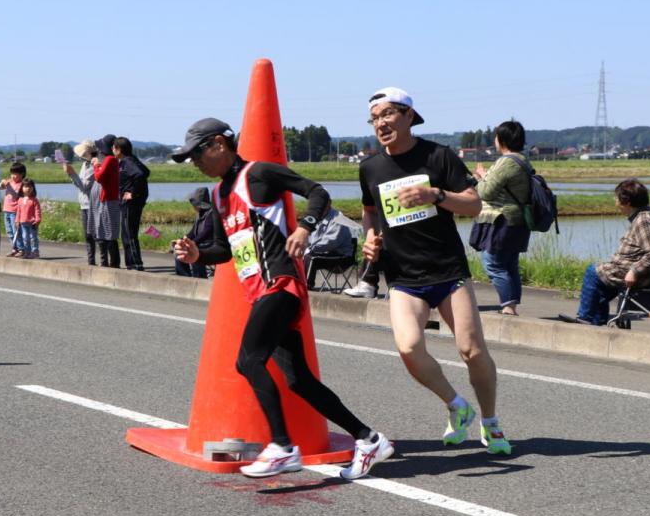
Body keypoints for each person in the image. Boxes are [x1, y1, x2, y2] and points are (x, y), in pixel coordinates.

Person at [171, 117, 392, 480]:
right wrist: (198, 255)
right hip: (260, 293)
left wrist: (305, 227)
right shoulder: (219, 195)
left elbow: (318, 192)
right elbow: (225, 250)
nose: (194, 163)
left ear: (218, 145)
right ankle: (369, 439)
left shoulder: (258, 174)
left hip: (281, 285)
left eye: (196, 154)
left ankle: (282, 447)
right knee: (298, 380)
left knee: (247, 361)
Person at [359, 87, 512, 455]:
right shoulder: (370, 167)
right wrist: (368, 238)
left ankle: (490, 423)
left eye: (388, 115)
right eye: (375, 118)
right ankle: (457, 407)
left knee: (471, 350)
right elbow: (369, 210)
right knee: (409, 347)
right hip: (403, 276)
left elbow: (475, 205)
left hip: (447, 271)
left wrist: (436, 196)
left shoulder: (438, 157)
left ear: (409, 116)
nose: (381, 123)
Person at [558, 178, 650, 327]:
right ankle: (597, 322)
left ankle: (586, 318)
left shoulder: (644, 219)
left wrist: (634, 271)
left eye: (617, 198)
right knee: (602, 282)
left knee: (593, 272)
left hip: (643, 274)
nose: (615, 202)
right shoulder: (646, 214)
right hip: (641, 270)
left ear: (627, 202)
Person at [471, 121, 533, 316]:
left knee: (493, 262)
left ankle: (507, 305)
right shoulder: (522, 160)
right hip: (517, 220)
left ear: (503, 140)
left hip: (502, 219)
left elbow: (486, 192)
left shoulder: (507, 162)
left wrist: (481, 177)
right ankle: (510, 306)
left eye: (496, 137)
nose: (494, 140)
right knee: (509, 263)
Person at [115, 136, 150, 270]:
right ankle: (133, 263)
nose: (113, 150)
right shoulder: (132, 159)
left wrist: (133, 193)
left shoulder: (127, 162)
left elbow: (140, 175)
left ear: (119, 150)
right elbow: (146, 171)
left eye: (114, 148)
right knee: (129, 233)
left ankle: (135, 264)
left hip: (130, 203)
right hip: (134, 202)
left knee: (128, 234)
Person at [64, 140, 98, 264]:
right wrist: (71, 174)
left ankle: (103, 261)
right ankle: (91, 261)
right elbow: (79, 183)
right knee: (88, 235)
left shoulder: (94, 165)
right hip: (84, 203)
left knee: (94, 234)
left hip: (92, 204)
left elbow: (84, 186)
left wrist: (72, 173)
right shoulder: (85, 164)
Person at [92, 134, 122, 268]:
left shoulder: (110, 159)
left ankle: (113, 263)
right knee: (105, 231)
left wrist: (96, 166)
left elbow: (99, 177)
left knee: (108, 232)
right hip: (109, 199)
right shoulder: (111, 159)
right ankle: (110, 262)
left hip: (109, 200)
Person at [174, 186, 213, 279]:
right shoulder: (199, 214)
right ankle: (184, 277)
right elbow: (192, 232)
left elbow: (206, 233)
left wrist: (192, 243)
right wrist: (182, 239)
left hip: (210, 244)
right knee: (178, 252)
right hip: (199, 243)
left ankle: (199, 278)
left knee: (193, 252)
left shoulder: (211, 214)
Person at [2, 162, 26, 256]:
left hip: (15, 211)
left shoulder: (22, 185)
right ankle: (14, 248)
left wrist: (9, 186)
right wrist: (3, 182)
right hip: (6, 210)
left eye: (16, 174)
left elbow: (16, 195)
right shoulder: (10, 182)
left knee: (16, 231)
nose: (13, 176)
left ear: (22, 174)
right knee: (9, 231)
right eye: (12, 173)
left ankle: (21, 249)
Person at [14, 179, 42, 258]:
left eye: (30, 187)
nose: (28, 188)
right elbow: (18, 211)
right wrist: (17, 221)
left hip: (32, 223)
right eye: (26, 186)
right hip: (23, 222)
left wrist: (37, 220)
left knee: (33, 237)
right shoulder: (20, 200)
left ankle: (35, 251)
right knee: (25, 238)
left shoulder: (34, 200)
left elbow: (37, 211)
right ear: (22, 188)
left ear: (33, 188)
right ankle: (27, 252)